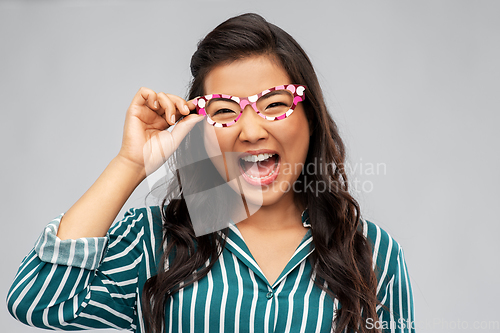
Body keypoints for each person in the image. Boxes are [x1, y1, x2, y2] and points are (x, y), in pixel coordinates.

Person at [7, 13, 414, 333]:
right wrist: (130, 163)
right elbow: (38, 301)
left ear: (310, 119)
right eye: (224, 111)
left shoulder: (375, 256)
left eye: (274, 104)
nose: (252, 131)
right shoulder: (155, 243)